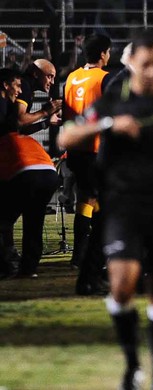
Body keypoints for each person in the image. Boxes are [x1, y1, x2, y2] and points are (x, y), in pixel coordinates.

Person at [57, 30, 153, 390]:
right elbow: (65, 137)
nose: (150, 71)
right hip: (123, 208)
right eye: (144, 64)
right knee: (123, 287)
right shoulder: (112, 103)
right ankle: (132, 367)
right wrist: (108, 125)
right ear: (130, 63)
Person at [63, 33, 112, 295]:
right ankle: (97, 259)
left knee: (84, 201)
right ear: (104, 53)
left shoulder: (71, 78)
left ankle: (78, 257)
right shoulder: (104, 78)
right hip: (96, 150)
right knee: (103, 204)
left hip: (75, 150)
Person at [0, 68, 57, 279]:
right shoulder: (6, 109)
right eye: (16, 85)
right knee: (34, 221)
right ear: (5, 85)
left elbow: (12, 131)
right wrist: (44, 116)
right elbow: (16, 129)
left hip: (21, 170)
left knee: (4, 220)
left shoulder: (7, 111)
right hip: (46, 170)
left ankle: (7, 264)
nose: (19, 90)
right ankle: (28, 268)